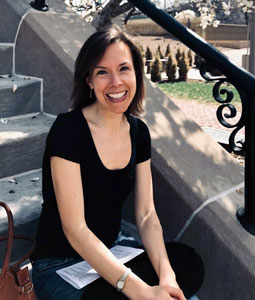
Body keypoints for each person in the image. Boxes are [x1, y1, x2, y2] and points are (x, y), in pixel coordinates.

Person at [31, 25, 204, 300]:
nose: (115, 82)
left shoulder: (138, 132)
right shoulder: (69, 130)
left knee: (187, 264)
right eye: (102, 72)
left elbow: (146, 214)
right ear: (88, 80)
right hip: (61, 265)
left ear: (136, 73)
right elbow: (74, 229)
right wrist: (138, 290)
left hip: (115, 251)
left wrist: (166, 275)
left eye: (124, 69)